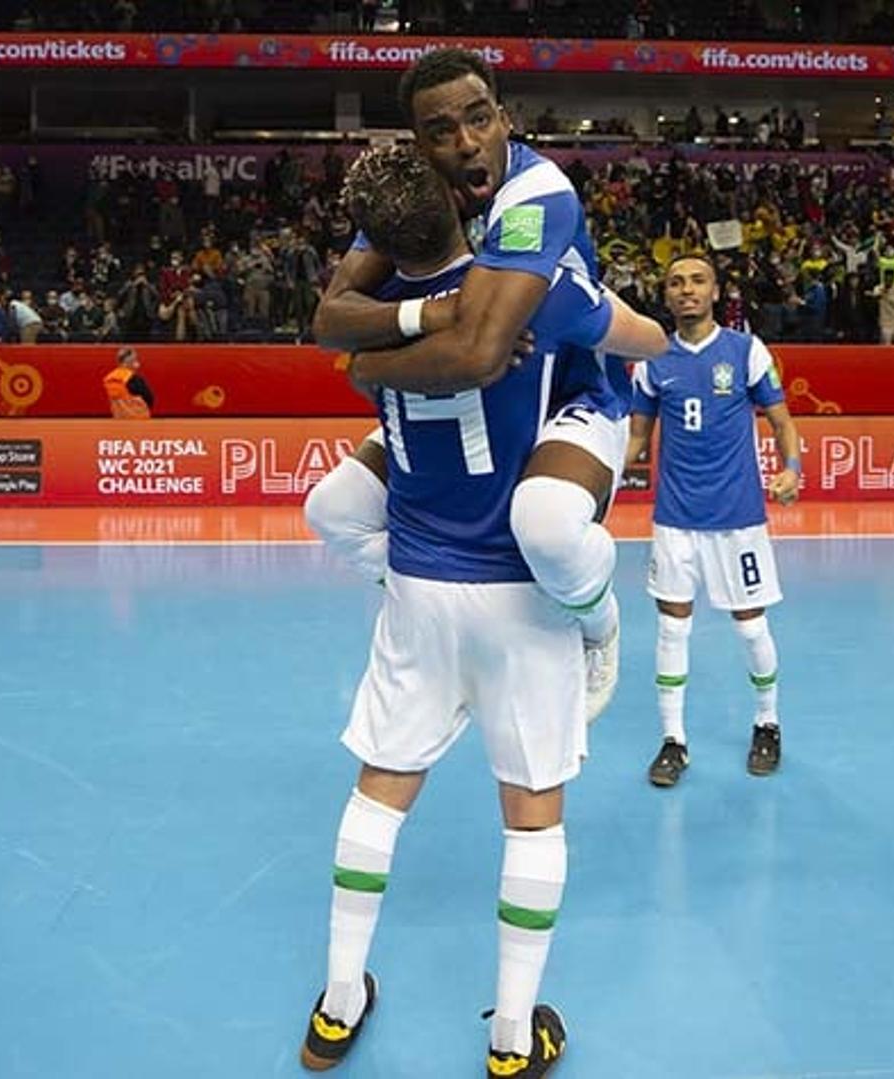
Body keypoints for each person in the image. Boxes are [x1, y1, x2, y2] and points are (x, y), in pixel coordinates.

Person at [299, 145, 665, 1079]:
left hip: (419, 586)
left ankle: (338, 1005)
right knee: (532, 818)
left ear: (373, 245)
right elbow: (638, 339)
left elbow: (346, 362)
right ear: (473, 211)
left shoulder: (370, 328)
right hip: (519, 596)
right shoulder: (529, 294)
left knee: (377, 797)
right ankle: (511, 1037)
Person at [310, 48, 645, 724]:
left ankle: (598, 621)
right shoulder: (412, 202)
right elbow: (330, 320)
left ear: (504, 118)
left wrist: (372, 369)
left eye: (479, 118)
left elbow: (479, 353)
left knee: (546, 528)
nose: (465, 142)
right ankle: (423, 595)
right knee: (334, 509)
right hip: (474, 403)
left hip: (564, 394)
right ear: (419, 143)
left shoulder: (534, 194)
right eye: (441, 130)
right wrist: (425, 312)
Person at [625, 255, 801, 788]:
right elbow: (636, 441)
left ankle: (767, 722)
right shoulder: (652, 360)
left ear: (715, 290)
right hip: (675, 519)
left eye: (697, 280)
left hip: (738, 519)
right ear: (667, 294)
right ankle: (673, 741)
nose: (686, 290)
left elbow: (781, 421)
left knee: (751, 628)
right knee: (671, 627)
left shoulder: (745, 351)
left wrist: (791, 468)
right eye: (676, 282)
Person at [104, 347, 154, 418]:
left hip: (119, 418)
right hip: (139, 417)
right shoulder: (134, 378)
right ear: (130, 362)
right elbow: (149, 397)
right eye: (135, 360)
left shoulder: (109, 378)